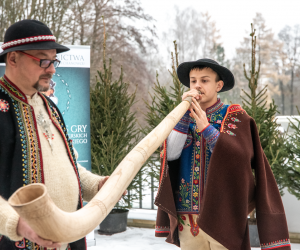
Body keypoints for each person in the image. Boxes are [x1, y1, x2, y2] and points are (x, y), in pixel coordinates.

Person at [0, 20, 116, 250]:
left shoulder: (49, 106)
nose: (52, 69)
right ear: (12, 59)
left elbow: (69, 164)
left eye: (54, 61)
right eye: (43, 60)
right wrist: (18, 224)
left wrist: (98, 185)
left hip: (69, 240)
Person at [155, 58, 291, 250]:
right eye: (193, 81)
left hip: (224, 213)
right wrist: (185, 114)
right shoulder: (180, 118)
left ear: (219, 85)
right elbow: (171, 156)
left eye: (204, 80)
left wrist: (207, 129)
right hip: (187, 215)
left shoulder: (236, 116)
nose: (198, 85)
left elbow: (240, 159)